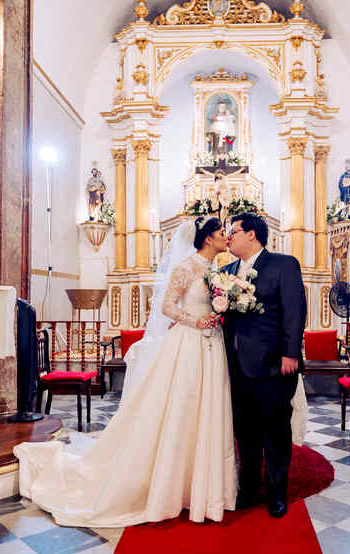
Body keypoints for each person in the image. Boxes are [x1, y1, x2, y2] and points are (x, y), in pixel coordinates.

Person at [15, 218, 236, 526]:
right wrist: (194, 320)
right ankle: (174, 483)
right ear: (208, 238)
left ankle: (201, 485)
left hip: (212, 345)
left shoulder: (218, 272)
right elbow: (167, 307)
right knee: (182, 408)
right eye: (222, 233)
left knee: (207, 409)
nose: (227, 238)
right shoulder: (186, 267)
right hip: (188, 343)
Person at [222, 213, 307, 518]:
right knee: (244, 432)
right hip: (236, 367)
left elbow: (294, 310)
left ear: (252, 235)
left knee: (275, 432)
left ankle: (276, 493)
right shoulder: (226, 271)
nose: (228, 237)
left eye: (234, 232)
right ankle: (247, 489)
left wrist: (290, 353)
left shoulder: (283, 265)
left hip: (273, 364)